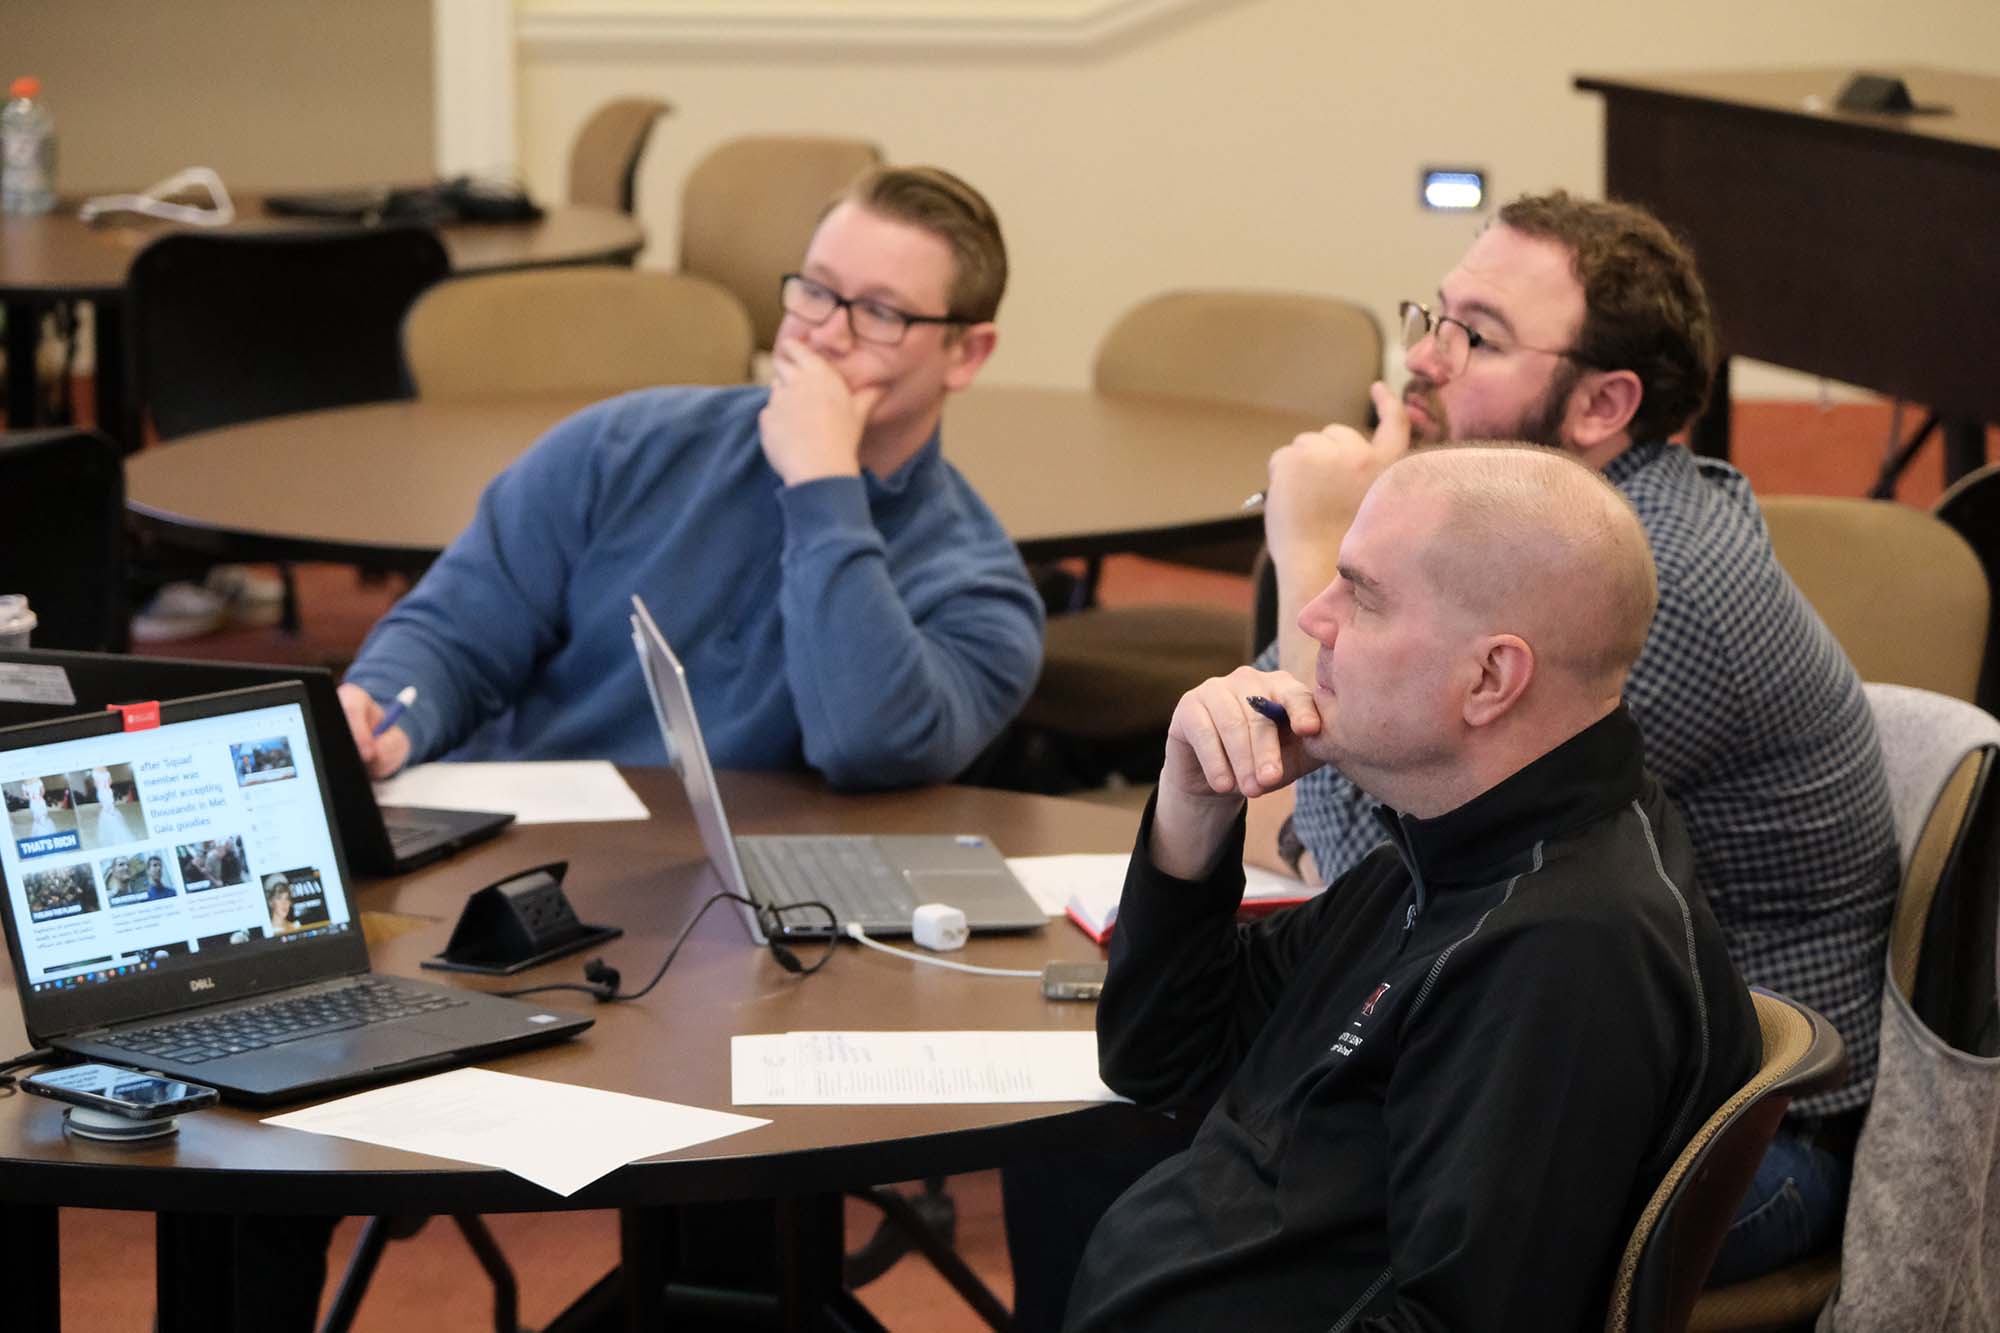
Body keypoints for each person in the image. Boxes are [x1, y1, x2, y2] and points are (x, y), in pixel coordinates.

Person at [1246, 190, 1895, 1282]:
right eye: (1433, 316)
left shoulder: (1640, 589)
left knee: (1229, 1182)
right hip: (1537, 1051)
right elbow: (1305, 796)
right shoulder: (1504, 546)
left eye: (1477, 337)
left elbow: (1382, 899)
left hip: (1737, 1150)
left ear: (1601, 405)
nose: (1425, 361)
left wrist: (1312, 550)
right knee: (1182, 1122)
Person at [1062, 445, 1760, 1332]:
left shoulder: (1564, 952)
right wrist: (1193, 804)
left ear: (1489, 679)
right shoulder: (1450, 845)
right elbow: (1164, 1056)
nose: (1314, 616)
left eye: (1362, 594)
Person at [338, 165, 1043, 792]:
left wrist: (823, 487)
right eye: (817, 292)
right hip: (532, 863)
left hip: (758, 916)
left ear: (967, 354)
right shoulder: (623, 447)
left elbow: (866, 744)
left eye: (882, 313)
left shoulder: (981, 599)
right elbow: (456, 632)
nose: (827, 333)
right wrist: (390, 711)